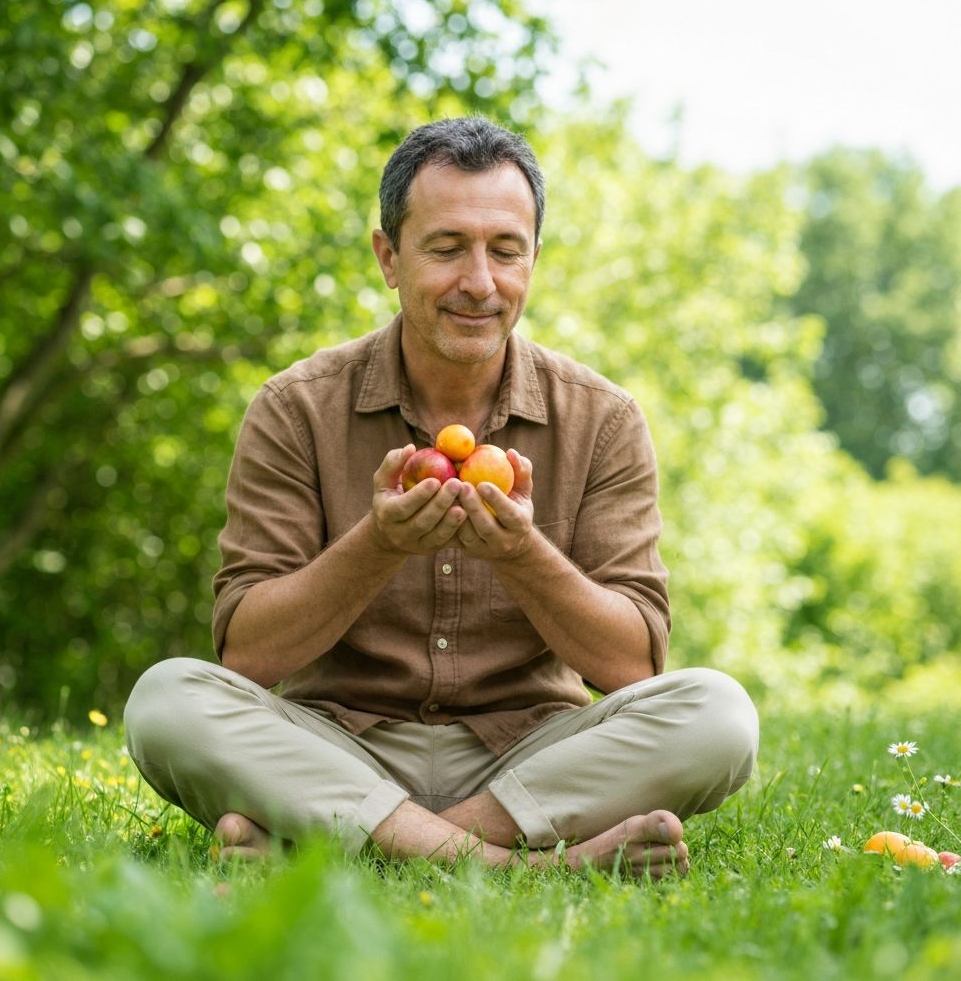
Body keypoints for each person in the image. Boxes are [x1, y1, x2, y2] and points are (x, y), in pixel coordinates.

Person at [124, 116, 758, 878]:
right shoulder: (295, 407)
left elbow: (634, 666)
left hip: (527, 762)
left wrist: (525, 555)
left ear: (534, 260)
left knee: (718, 715)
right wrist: (378, 544)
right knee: (166, 701)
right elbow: (248, 653)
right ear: (388, 257)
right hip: (338, 748)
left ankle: (345, 850)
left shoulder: (603, 418)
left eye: (505, 251)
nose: (480, 284)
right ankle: (520, 868)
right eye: (447, 248)